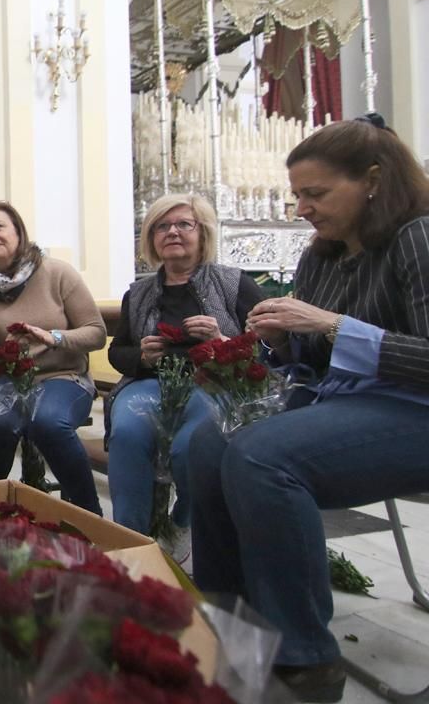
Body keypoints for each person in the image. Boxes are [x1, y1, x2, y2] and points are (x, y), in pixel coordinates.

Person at [189, 116, 429, 703]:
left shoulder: (417, 237)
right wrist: (277, 339)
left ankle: (305, 653)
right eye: (297, 194)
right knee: (207, 442)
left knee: (261, 456)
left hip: (413, 411)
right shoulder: (320, 258)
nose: (301, 207)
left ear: (373, 181)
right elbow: (315, 358)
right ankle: (232, 621)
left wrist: (330, 324)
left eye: (315, 194)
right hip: (349, 406)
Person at [105, 193, 265, 561]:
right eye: (162, 226)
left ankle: (182, 522)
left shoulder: (233, 283)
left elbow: (269, 348)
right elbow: (118, 352)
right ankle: (129, 544)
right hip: (148, 384)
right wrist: (142, 357)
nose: (172, 232)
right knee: (127, 434)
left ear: (203, 232)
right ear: (151, 237)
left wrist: (221, 340)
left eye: (183, 224)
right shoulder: (140, 292)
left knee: (189, 447)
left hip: (210, 381)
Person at [0, 202, 107, 514]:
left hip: (64, 376)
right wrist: (7, 355)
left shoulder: (57, 272)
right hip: (9, 380)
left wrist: (53, 337)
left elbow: (96, 333)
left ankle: (89, 516)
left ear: (18, 231)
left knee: (49, 422)